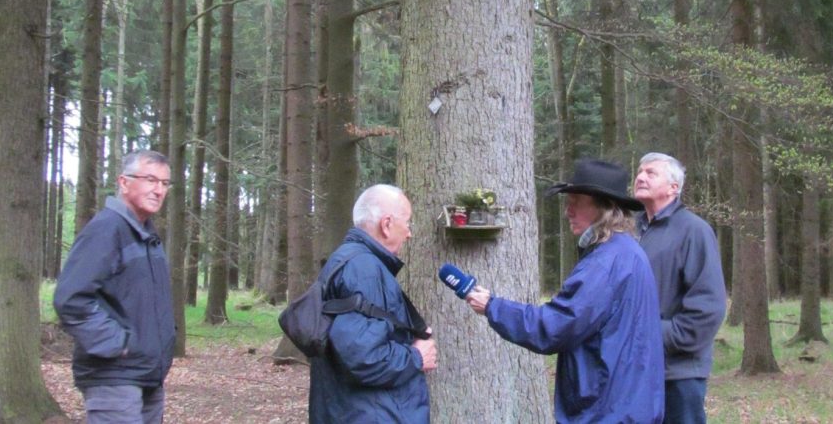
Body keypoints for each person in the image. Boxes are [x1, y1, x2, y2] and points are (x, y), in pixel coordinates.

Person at [465, 159, 665, 423]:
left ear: (602, 207)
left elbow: (555, 327)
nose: (567, 211)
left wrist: (492, 306)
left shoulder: (606, 263)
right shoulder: (626, 253)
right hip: (626, 405)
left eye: (575, 202)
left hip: (608, 411)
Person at [53, 150, 176, 424]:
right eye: (150, 180)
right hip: (114, 378)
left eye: (164, 183)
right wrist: (116, 344)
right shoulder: (107, 229)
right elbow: (70, 299)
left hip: (147, 375)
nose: (158, 190)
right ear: (124, 182)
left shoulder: (146, 235)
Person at [309, 184, 438, 424]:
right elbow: (363, 357)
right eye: (407, 222)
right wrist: (416, 356)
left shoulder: (351, 261)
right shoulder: (363, 270)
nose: (409, 233)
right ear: (387, 224)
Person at [632, 153, 726, 424]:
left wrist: (652, 335)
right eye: (639, 172)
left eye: (651, 173)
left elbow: (709, 308)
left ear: (674, 187)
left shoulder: (694, 231)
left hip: (678, 374)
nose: (640, 177)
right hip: (635, 371)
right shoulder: (631, 231)